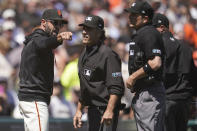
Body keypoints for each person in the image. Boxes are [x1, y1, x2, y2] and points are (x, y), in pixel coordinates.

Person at [18, 9, 72, 131]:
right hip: (34, 99)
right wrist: (59, 39)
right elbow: (44, 43)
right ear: (43, 22)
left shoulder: (36, 39)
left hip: (31, 99)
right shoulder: (37, 38)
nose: (58, 27)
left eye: (60, 24)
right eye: (54, 23)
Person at [73, 15, 125, 131]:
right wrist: (78, 110)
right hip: (92, 111)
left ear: (99, 33)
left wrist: (109, 110)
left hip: (105, 110)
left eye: (89, 29)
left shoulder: (108, 55)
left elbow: (116, 87)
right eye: (84, 29)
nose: (84, 32)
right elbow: (84, 87)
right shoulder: (84, 53)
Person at [124, 1, 165, 131]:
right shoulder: (141, 33)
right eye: (130, 14)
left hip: (150, 91)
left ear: (145, 18)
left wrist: (133, 77)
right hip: (144, 92)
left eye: (135, 15)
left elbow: (155, 62)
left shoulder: (148, 32)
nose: (130, 17)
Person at [152, 13, 194, 131]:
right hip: (184, 101)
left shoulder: (158, 46)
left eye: (152, 28)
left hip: (167, 99)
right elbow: (193, 76)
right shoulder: (186, 47)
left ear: (162, 27)